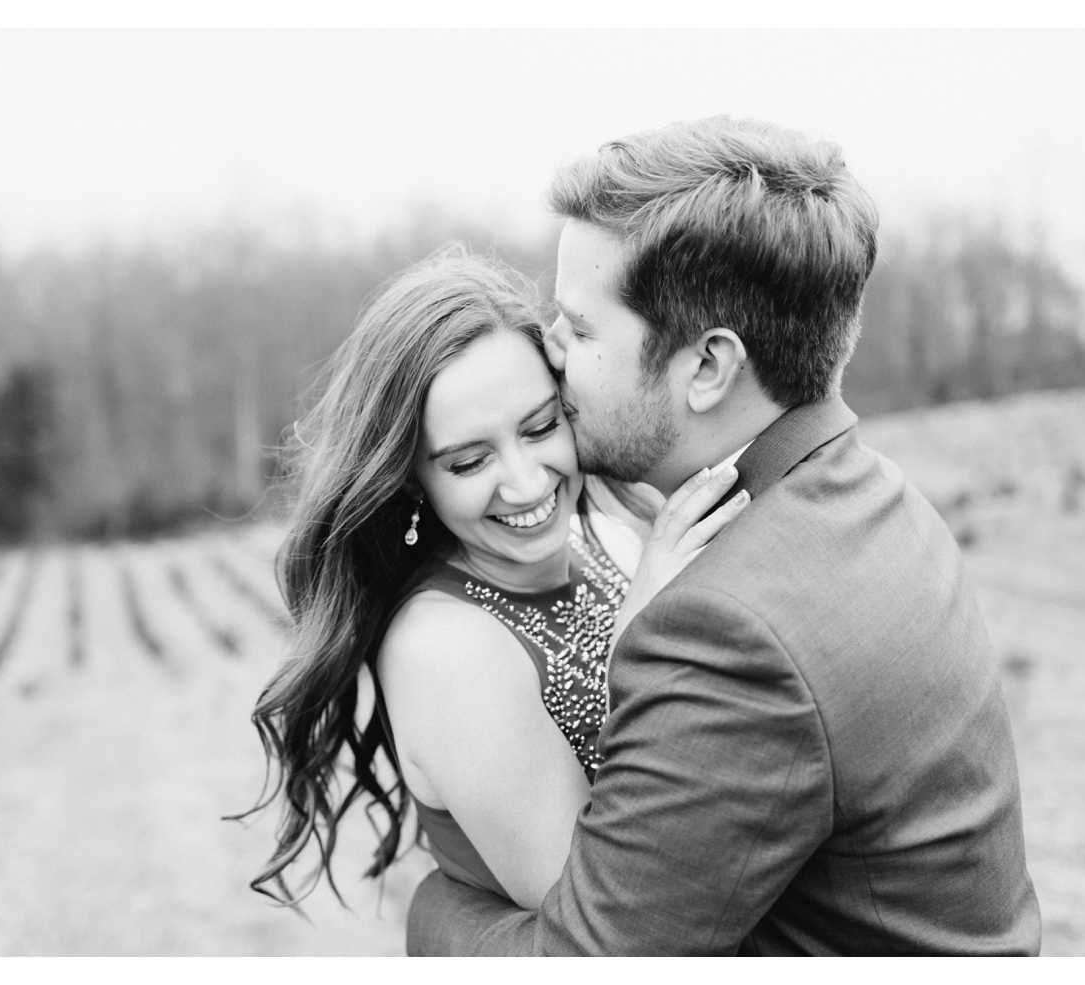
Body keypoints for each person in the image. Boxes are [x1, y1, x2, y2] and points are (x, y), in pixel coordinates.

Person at [406, 116, 1043, 955]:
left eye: (582, 329)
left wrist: (435, 912)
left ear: (706, 367)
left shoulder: (727, 628)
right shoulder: (872, 496)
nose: (550, 352)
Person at [238, 246, 744, 909]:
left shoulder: (608, 546)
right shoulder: (445, 647)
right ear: (410, 479)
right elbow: (602, 918)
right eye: (470, 461)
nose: (527, 481)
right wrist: (642, 641)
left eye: (539, 427)